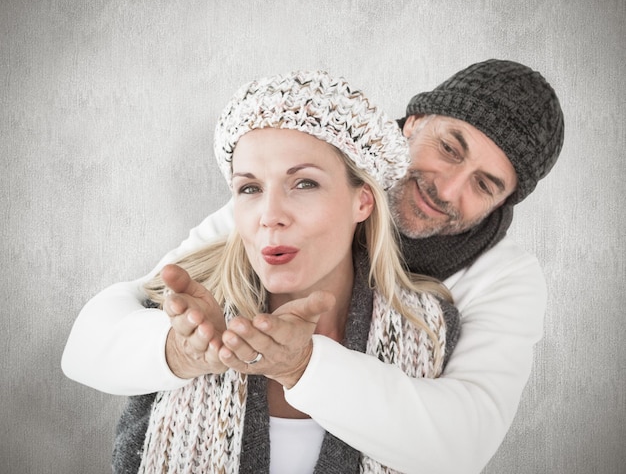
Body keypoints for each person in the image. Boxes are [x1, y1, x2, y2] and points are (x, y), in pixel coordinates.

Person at [62, 59, 565, 473]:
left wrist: (302, 366)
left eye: (484, 185)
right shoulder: (279, 205)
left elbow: (463, 442)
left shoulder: (501, 280)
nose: (447, 189)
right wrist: (181, 350)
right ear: (412, 124)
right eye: (449, 148)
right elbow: (109, 331)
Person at [109, 70, 459, 473]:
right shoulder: (176, 313)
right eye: (250, 189)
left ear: (362, 202)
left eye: (305, 183)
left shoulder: (430, 329)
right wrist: (179, 353)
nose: (270, 216)